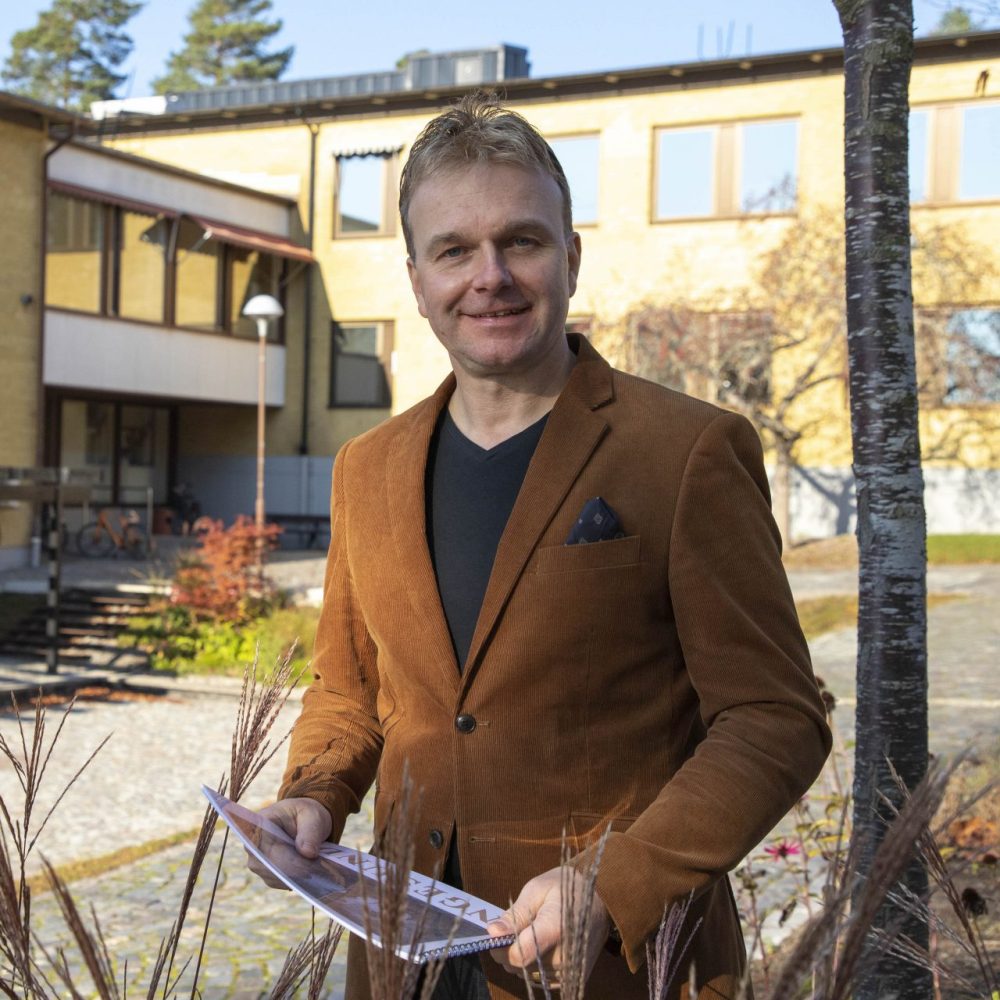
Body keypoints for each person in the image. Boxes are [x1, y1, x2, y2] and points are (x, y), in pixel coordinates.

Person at [251, 92, 832, 999]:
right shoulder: (367, 467)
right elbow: (350, 691)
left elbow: (775, 719)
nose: (490, 276)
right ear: (416, 278)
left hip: (612, 967)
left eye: (520, 240)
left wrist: (619, 877)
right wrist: (311, 797)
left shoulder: (685, 451)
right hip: (402, 960)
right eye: (454, 250)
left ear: (571, 255)